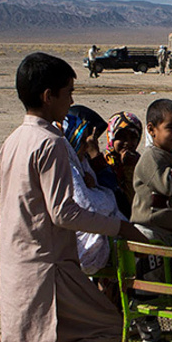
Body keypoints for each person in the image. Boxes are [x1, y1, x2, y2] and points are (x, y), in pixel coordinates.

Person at [0, 52, 147, 342]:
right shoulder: (51, 143)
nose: (71, 101)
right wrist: (120, 228)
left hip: (16, 264)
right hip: (47, 265)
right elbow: (64, 212)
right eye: (69, 94)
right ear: (49, 96)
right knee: (106, 328)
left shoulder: (14, 140)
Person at [128, 98, 172, 342]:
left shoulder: (166, 155)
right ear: (152, 130)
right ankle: (150, 340)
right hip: (149, 232)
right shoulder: (152, 157)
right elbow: (169, 186)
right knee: (148, 289)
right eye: (171, 128)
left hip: (168, 232)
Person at [61, 107, 124, 275]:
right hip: (84, 243)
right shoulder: (70, 167)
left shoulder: (82, 164)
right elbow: (90, 206)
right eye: (84, 140)